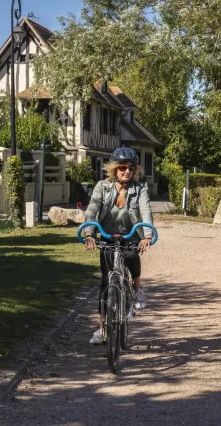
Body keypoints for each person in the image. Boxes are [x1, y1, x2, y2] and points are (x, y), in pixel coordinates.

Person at [82, 147, 154, 345]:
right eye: (122, 167)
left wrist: (147, 234)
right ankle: (103, 330)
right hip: (106, 235)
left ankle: (138, 288)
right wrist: (89, 232)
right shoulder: (102, 187)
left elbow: (145, 211)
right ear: (114, 169)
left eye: (131, 168)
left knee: (131, 255)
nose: (127, 171)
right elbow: (92, 209)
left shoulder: (139, 189)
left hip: (130, 235)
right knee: (106, 283)